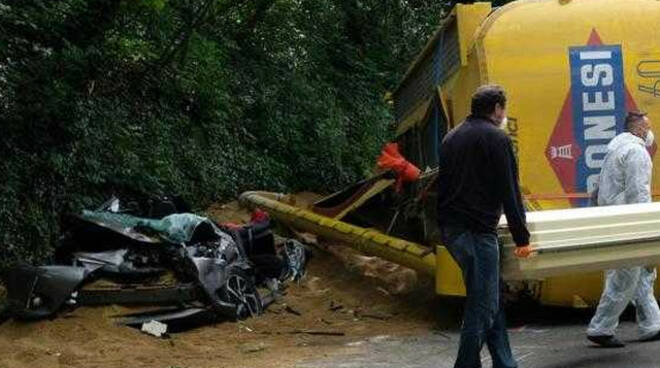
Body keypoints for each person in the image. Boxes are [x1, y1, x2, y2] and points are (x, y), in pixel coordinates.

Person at [437, 84, 532, 368]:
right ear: (497, 109)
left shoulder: (451, 138)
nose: (505, 114)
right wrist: (521, 237)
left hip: (453, 230)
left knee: (487, 296)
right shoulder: (496, 138)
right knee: (483, 304)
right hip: (477, 232)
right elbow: (509, 191)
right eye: (504, 109)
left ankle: (505, 362)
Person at [586, 110, 660, 348]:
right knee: (626, 277)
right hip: (630, 224)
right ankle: (601, 327)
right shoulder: (637, 152)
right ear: (638, 129)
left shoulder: (613, 150)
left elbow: (597, 191)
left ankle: (652, 325)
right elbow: (639, 193)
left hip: (614, 221)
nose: (650, 132)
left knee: (641, 276)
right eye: (647, 127)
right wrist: (646, 230)